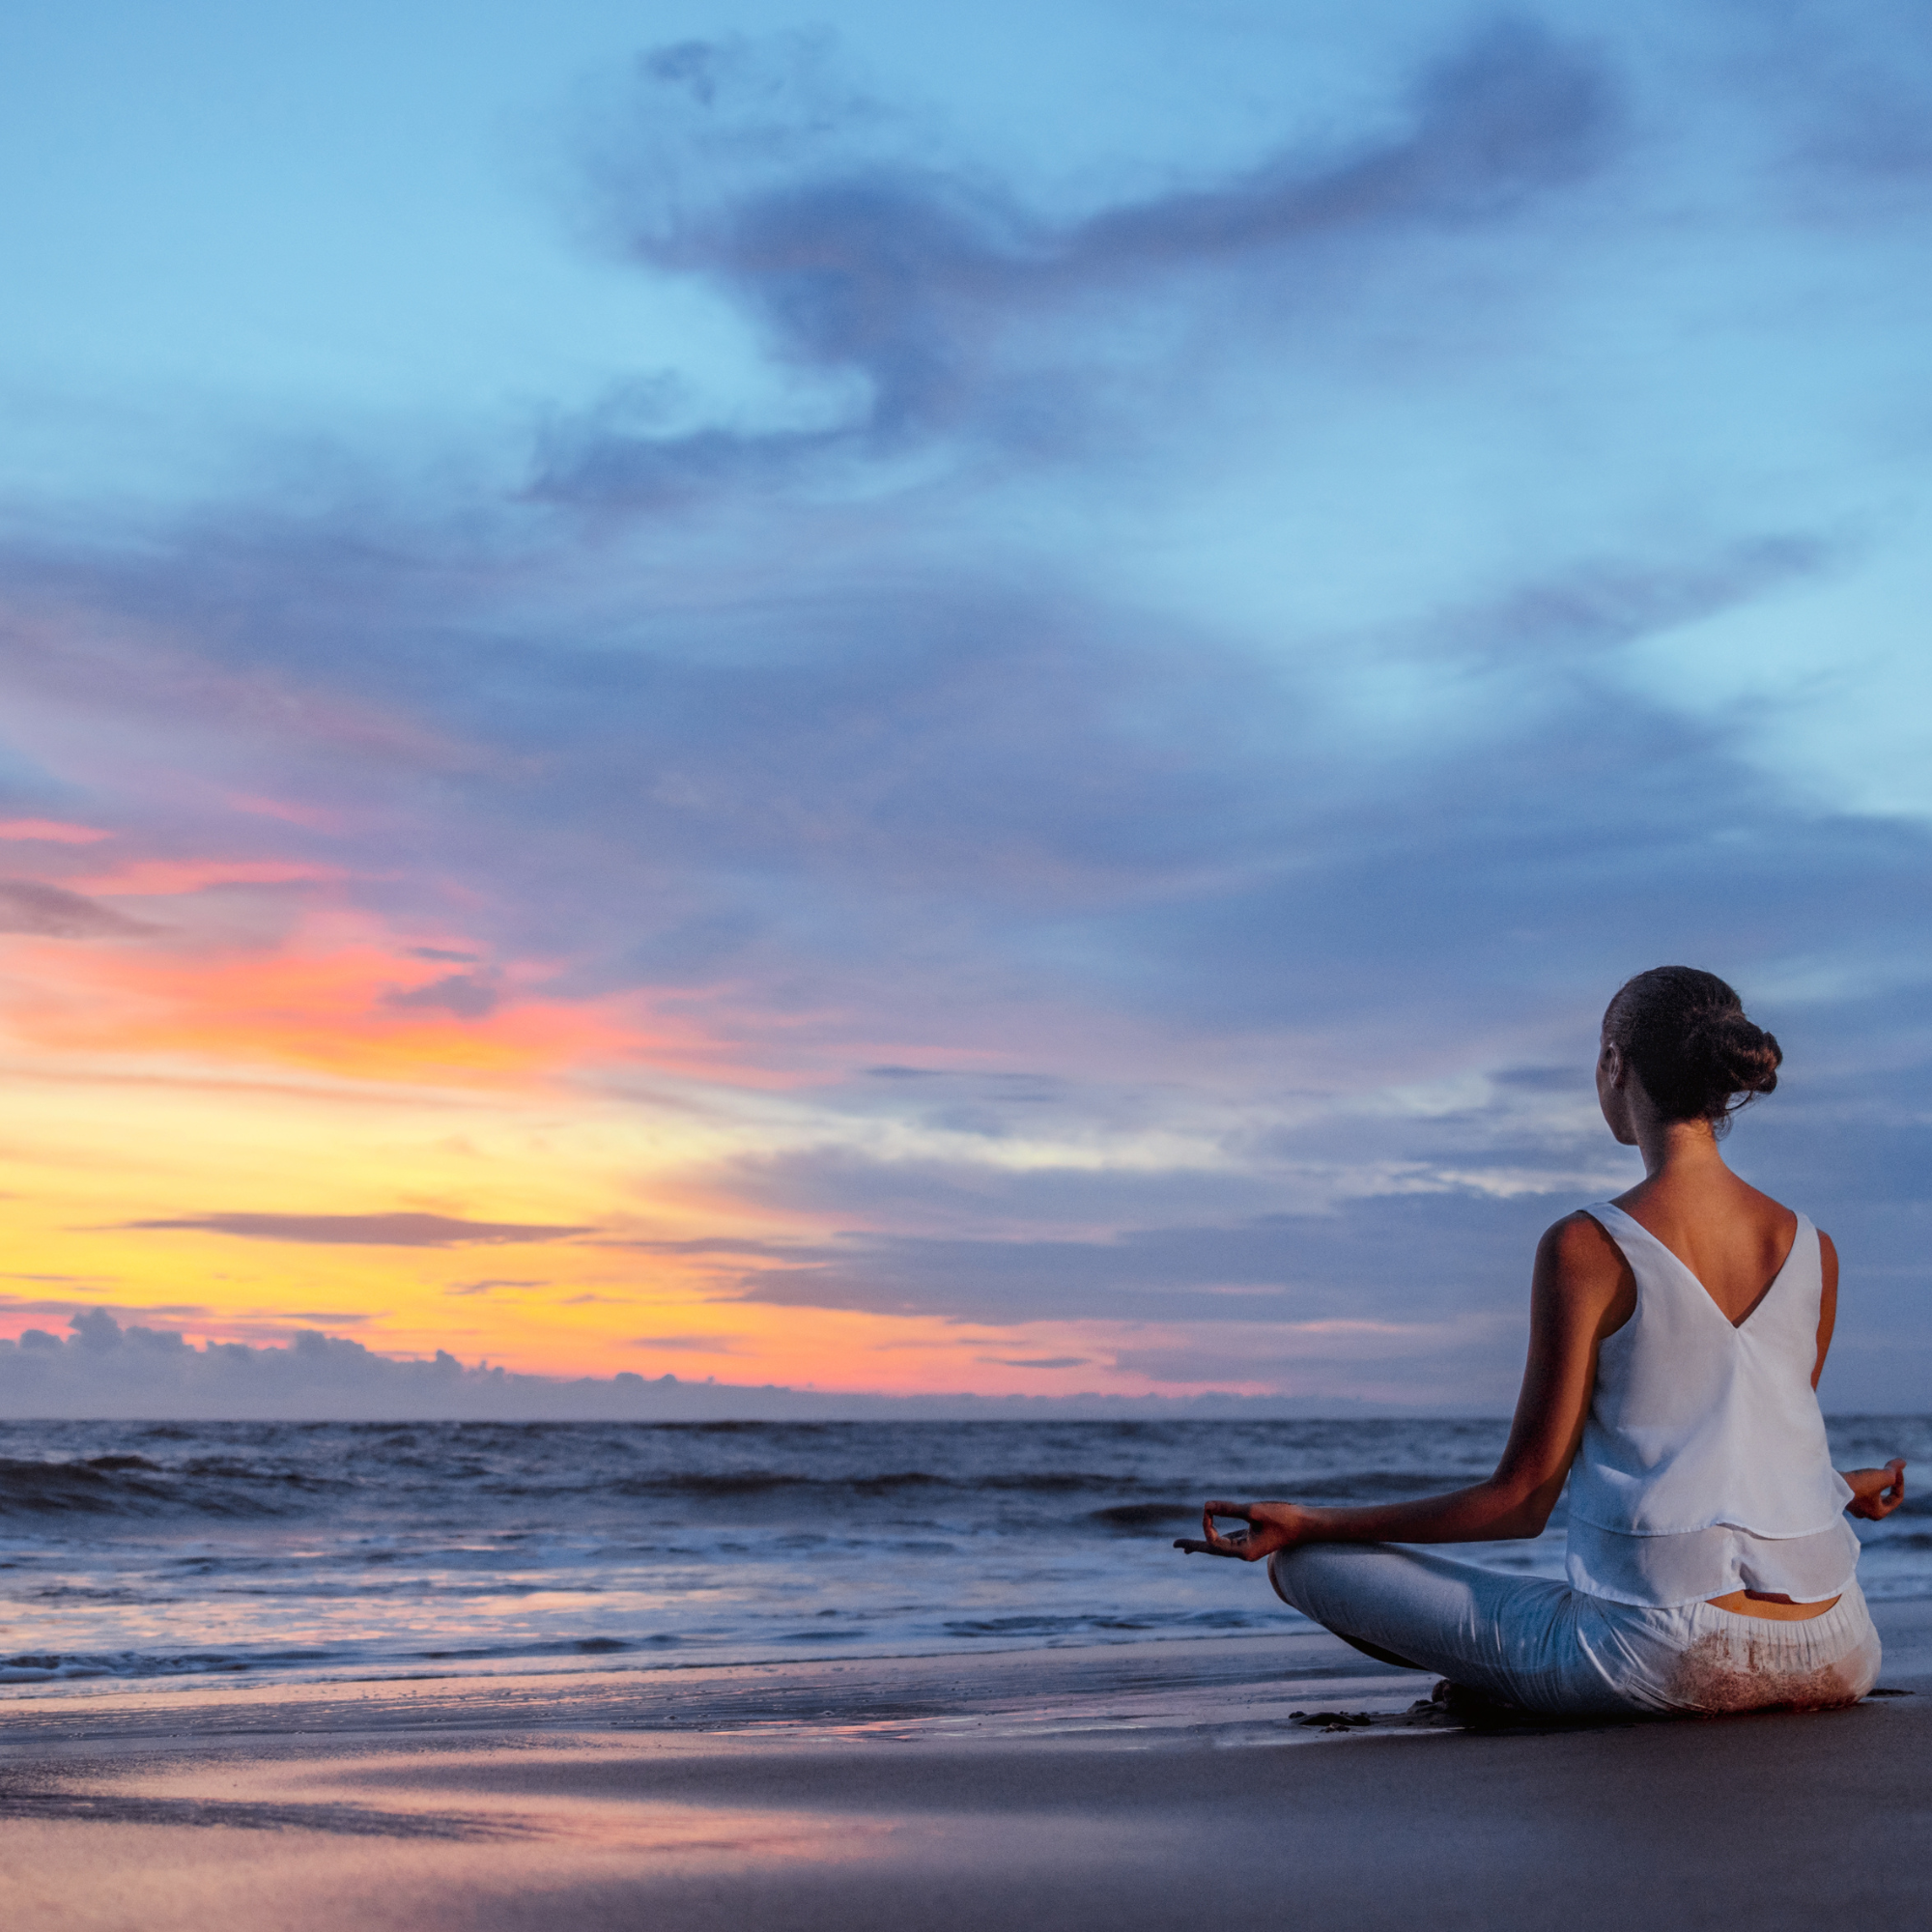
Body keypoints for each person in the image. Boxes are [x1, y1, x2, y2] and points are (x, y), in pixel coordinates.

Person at [1177, 966, 1908, 1716]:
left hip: (1663, 1659)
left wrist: (1312, 1522)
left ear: (1615, 1064)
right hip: (1839, 1645)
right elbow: (1740, 1448)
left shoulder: (1587, 1246)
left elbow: (1520, 1502)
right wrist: (1841, 1486)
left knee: (1306, 1569)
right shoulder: (1813, 1248)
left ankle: (1517, 1684)